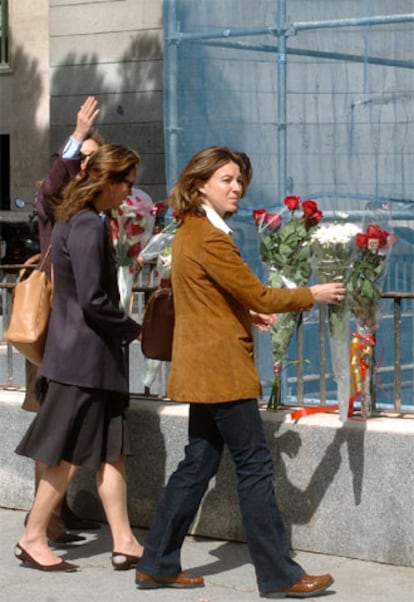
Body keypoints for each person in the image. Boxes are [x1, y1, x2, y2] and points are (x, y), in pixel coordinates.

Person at [135, 146, 345, 598]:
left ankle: (156, 562)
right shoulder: (211, 237)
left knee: (197, 464)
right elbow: (264, 294)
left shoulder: (188, 232)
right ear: (199, 185)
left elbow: (205, 295)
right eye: (226, 179)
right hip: (222, 369)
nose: (237, 188)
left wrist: (243, 312)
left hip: (202, 367)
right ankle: (281, 576)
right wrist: (314, 292)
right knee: (253, 466)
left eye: (239, 180)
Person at [14, 144, 144, 572]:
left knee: (112, 452)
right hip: (84, 362)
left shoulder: (77, 220)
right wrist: (131, 328)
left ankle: (124, 540)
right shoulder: (88, 225)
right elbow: (93, 300)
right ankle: (33, 536)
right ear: (106, 181)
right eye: (126, 182)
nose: (129, 191)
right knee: (66, 454)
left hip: (86, 361)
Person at [23, 96, 104, 541]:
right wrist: (76, 136)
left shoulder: (98, 208)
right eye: (79, 160)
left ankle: (58, 510)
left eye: (93, 159)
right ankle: (46, 519)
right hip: (55, 323)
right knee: (51, 423)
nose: (84, 167)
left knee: (63, 425)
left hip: (81, 328)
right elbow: (52, 188)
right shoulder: (57, 202)